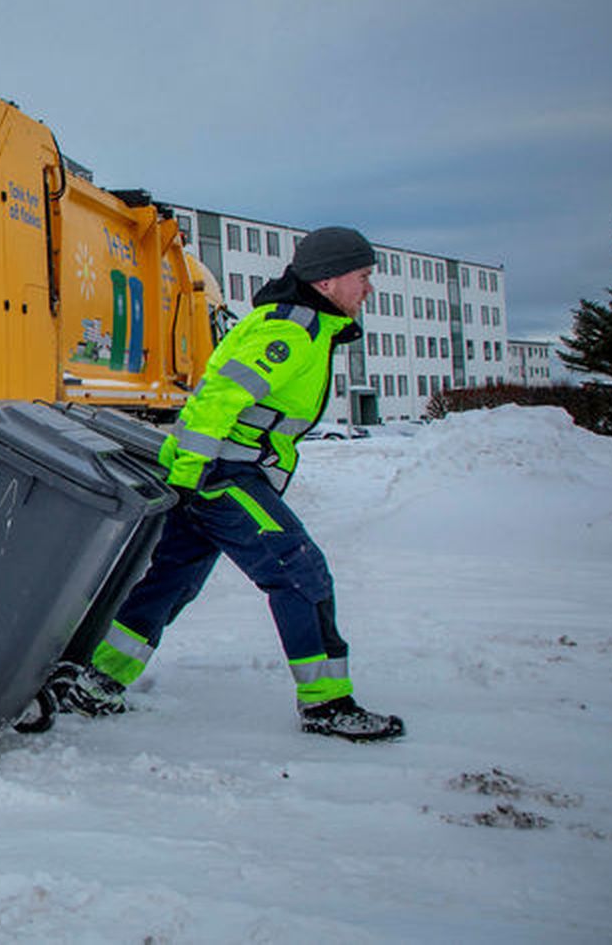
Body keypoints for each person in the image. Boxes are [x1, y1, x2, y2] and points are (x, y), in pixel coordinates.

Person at [64, 227, 406, 742]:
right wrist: (193, 476)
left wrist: (189, 479)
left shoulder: (292, 323)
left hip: (214, 475)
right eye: (363, 277)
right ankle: (327, 703)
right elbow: (219, 397)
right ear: (329, 280)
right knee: (299, 573)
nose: (368, 289)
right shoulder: (291, 332)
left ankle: (98, 681)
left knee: (170, 582)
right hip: (225, 476)